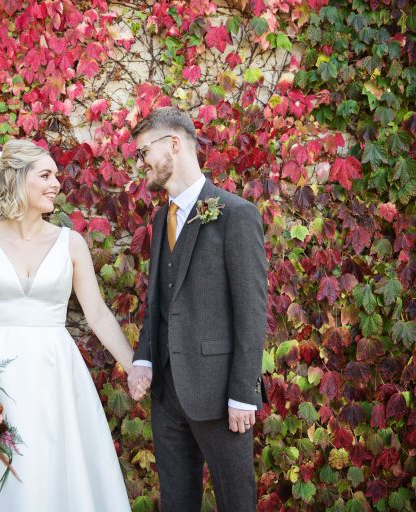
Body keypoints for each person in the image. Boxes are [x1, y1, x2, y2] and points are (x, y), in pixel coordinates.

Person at [0, 139, 133, 512]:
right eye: (46, 175)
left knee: (51, 464)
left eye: (56, 175)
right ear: (19, 180)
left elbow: (97, 313)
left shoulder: (71, 243)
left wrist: (134, 366)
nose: (57, 184)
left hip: (55, 373)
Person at [126, 107, 268, 512]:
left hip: (221, 395)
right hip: (167, 396)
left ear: (174, 144)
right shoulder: (159, 218)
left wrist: (244, 393)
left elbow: (252, 310)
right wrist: (144, 358)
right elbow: (158, 303)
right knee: (176, 502)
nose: (141, 163)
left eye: (143, 152)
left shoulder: (235, 214)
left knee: (236, 501)